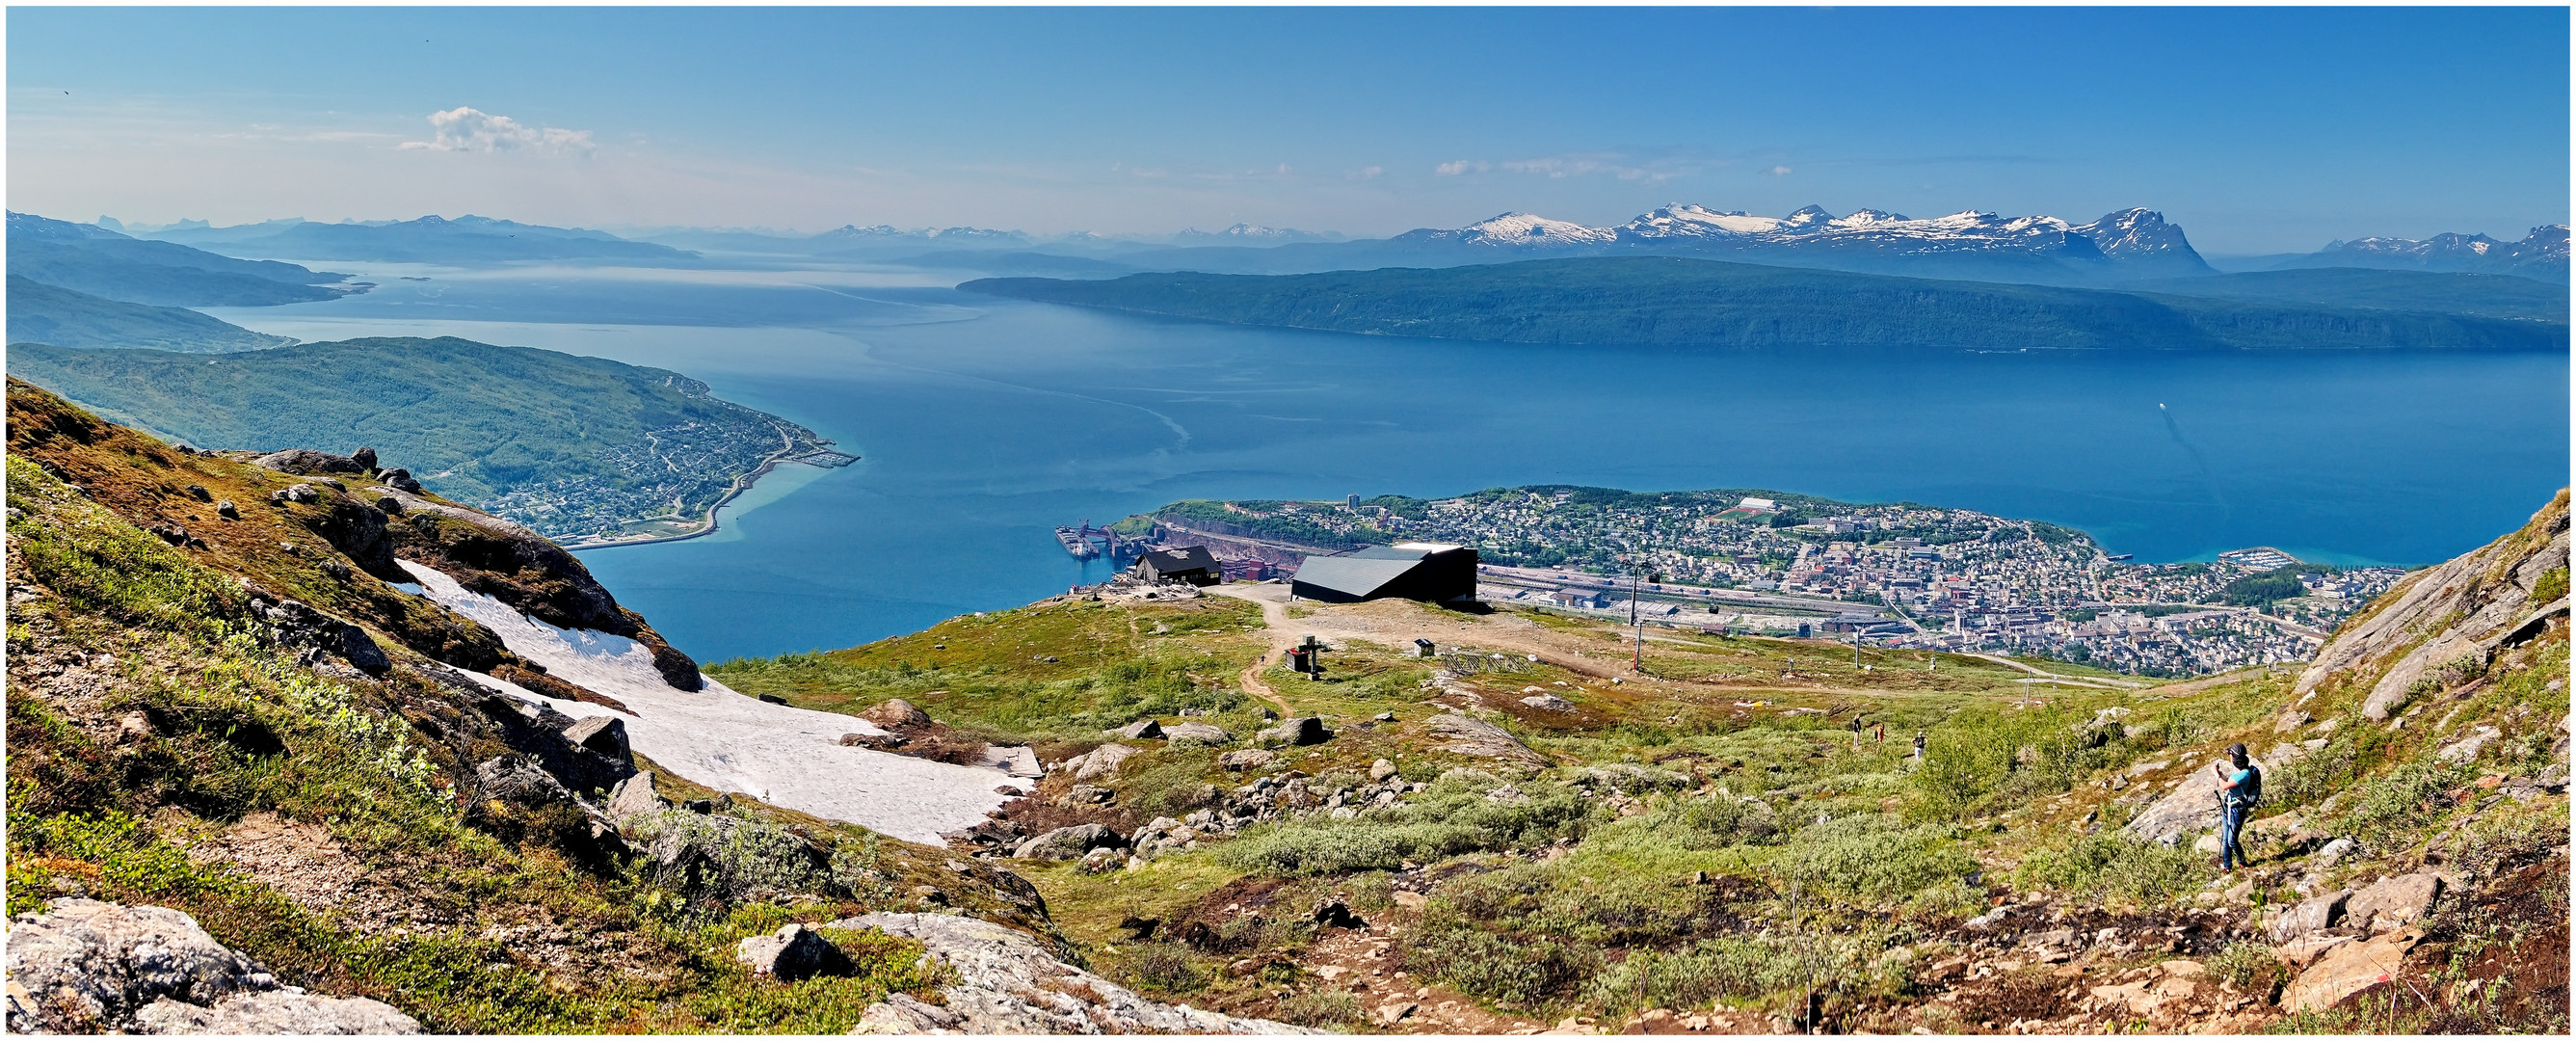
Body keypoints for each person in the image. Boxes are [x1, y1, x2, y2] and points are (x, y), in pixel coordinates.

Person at [2212, 743, 2262, 872]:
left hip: (2236, 810)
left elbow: (2225, 786)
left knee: (2232, 840)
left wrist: (2215, 774)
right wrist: (2220, 774)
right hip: (2228, 807)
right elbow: (2231, 782)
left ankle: (2242, 862)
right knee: (2225, 839)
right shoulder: (2238, 770)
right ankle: (2227, 866)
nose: (2229, 756)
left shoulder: (2244, 773)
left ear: (2234, 756)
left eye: (2230, 754)